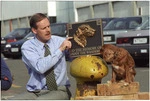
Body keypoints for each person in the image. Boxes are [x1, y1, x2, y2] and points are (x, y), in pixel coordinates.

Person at [9, 13, 72, 100]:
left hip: (59, 90)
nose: (48, 30)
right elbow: (40, 67)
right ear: (34, 30)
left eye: (48, 26)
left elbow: (77, 54)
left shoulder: (60, 41)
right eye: (43, 28)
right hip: (36, 92)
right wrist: (60, 50)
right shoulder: (28, 47)